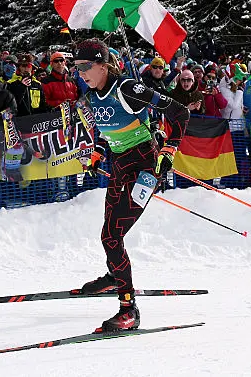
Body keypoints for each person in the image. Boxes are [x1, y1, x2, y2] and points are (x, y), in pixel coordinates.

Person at [73, 39, 190, 333]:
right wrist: (98, 153)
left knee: (111, 235)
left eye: (86, 66)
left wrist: (169, 150)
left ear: (103, 64)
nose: (82, 73)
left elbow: (180, 113)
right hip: (120, 165)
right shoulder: (91, 94)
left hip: (144, 167)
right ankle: (115, 275)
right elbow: (104, 129)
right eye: (77, 67)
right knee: (109, 229)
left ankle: (129, 309)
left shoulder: (126, 89)